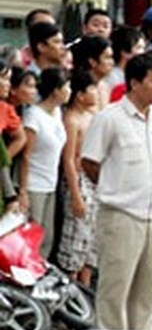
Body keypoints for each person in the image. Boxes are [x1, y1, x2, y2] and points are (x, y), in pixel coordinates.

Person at [81, 52, 152, 330]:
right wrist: (115, 187)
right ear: (134, 82)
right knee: (115, 287)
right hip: (121, 215)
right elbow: (89, 162)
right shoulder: (109, 118)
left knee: (147, 290)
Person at [19, 68, 69, 258]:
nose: (69, 91)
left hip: (51, 183)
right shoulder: (33, 116)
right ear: (56, 90)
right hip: (34, 184)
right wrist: (23, 191)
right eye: (66, 87)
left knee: (47, 236)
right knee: (32, 235)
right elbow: (26, 155)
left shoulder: (57, 112)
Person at [59, 71, 100, 285]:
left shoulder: (92, 116)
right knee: (75, 241)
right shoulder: (71, 120)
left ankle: (85, 290)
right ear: (80, 95)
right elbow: (68, 159)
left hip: (95, 181)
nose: (96, 93)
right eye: (91, 89)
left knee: (91, 244)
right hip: (79, 180)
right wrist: (75, 195)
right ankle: (71, 292)